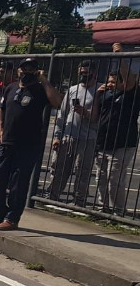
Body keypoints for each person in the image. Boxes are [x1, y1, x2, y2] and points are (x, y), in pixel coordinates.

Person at [0, 58, 62, 231]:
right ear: (18, 71)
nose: (26, 73)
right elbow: (1, 111)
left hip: (27, 144)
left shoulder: (40, 90)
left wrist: (44, 80)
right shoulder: (11, 88)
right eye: (23, 69)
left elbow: (57, 102)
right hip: (7, 142)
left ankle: (12, 218)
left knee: (19, 183)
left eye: (30, 69)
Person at [47, 61, 99, 206]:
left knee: (83, 170)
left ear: (94, 73)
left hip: (88, 137)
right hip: (69, 136)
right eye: (81, 73)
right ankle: (53, 196)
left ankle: (79, 200)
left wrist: (85, 113)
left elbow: (101, 117)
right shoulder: (72, 90)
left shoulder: (100, 90)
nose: (83, 75)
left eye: (87, 73)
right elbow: (62, 115)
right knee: (60, 167)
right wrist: (57, 136)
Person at [95, 71, 140, 215]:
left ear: (124, 83)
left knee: (114, 179)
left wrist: (120, 55)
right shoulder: (106, 96)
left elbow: (130, 79)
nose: (109, 85)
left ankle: (118, 211)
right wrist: (97, 95)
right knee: (101, 177)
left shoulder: (131, 95)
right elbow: (97, 116)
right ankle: (103, 207)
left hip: (122, 143)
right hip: (103, 142)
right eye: (108, 81)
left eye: (113, 82)